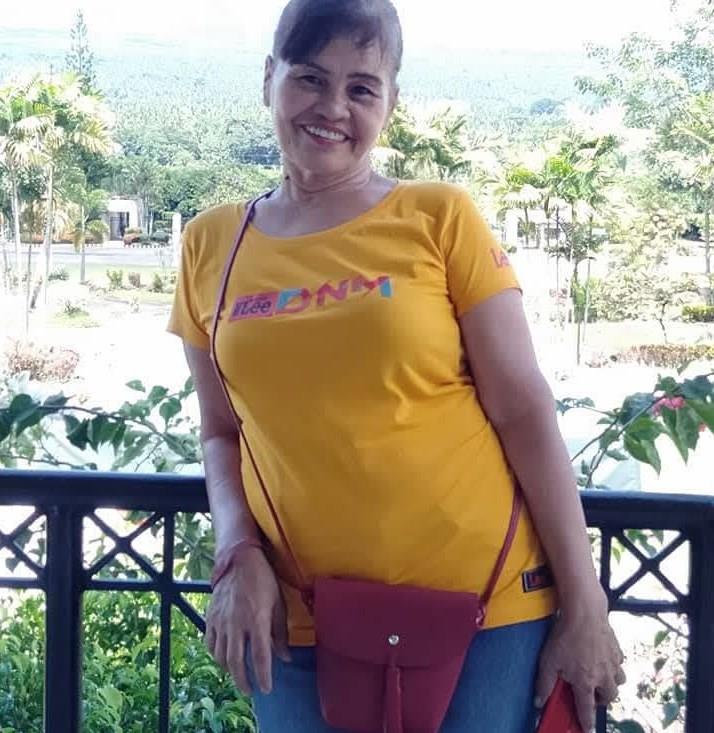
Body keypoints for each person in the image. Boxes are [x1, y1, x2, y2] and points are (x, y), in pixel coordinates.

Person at [167, 1, 625, 731]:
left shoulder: (439, 217)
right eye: (310, 78)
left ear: (390, 102)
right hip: (299, 621)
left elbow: (523, 409)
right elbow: (222, 432)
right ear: (268, 79)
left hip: (489, 614)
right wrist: (236, 552)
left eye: (361, 87)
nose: (332, 107)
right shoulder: (210, 245)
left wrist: (585, 601)